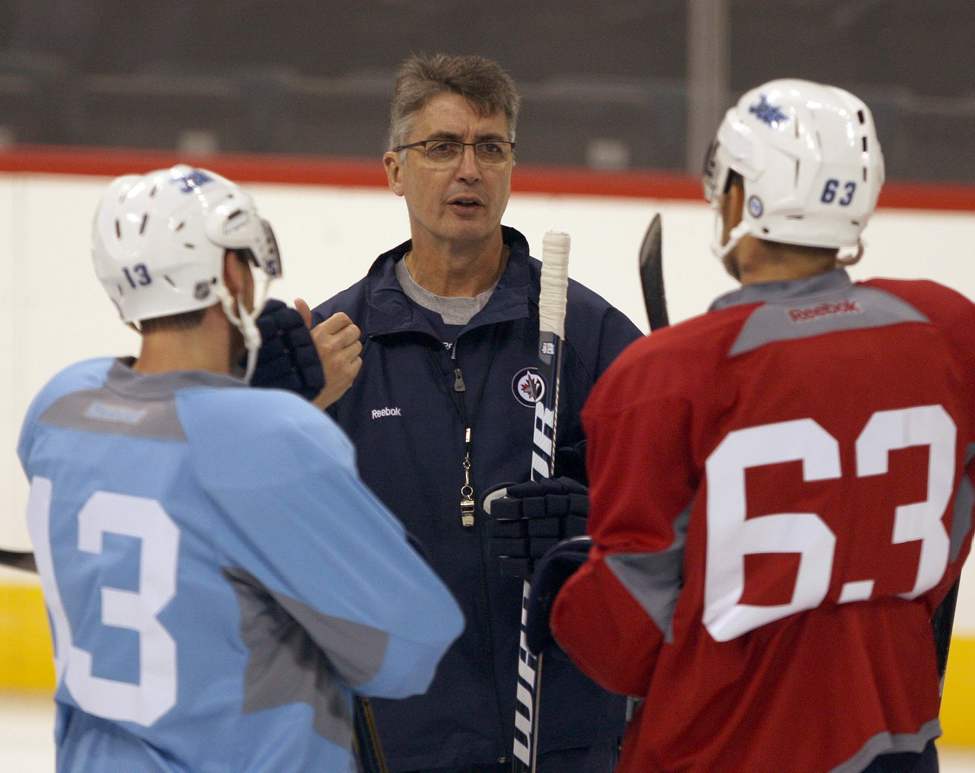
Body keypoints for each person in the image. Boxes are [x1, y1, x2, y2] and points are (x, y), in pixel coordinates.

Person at [550, 79, 975, 772]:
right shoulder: (948, 330)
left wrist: (568, 589)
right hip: (893, 740)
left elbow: (621, 645)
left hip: (719, 748)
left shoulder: (660, 377)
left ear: (738, 197)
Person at [17, 164, 463, 772]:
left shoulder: (59, 407)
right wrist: (280, 413)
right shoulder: (273, 438)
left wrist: (251, 402)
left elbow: (166, 461)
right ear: (231, 271)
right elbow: (408, 647)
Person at [306, 53, 642, 772]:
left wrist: (591, 518)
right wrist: (296, 409)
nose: (469, 169)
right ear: (394, 170)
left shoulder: (587, 334)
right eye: (442, 147)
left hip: (562, 733)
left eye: (490, 148)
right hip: (394, 740)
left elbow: (677, 512)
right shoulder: (335, 345)